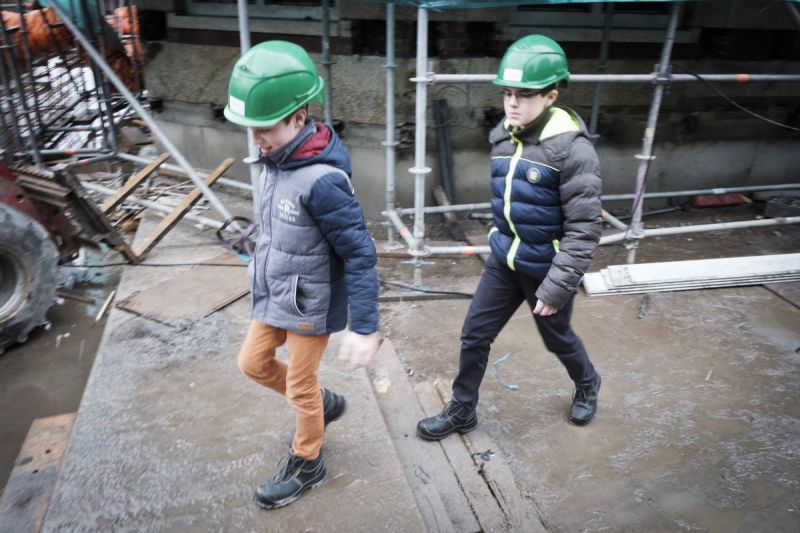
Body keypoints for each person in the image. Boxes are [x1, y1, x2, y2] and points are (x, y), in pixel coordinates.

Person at [417, 35, 602, 441]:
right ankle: (462, 409)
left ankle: (587, 381)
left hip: (546, 270)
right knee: (474, 334)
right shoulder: (503, 135)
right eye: (507, 94)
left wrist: (555, 289)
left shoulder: (572, 151)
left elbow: (585, 228)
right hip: (504, 261)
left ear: (551, 95)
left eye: (524, 95)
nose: (512, 103)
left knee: (557, 340)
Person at [225, 41, 380, 509]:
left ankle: (308, 459)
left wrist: (365, 326)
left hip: (310, 306)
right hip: (274, 293)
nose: (255, 138)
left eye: (264, 127)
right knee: (252, 364)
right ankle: (324, 403)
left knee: (299, 386)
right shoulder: (277, 160)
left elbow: (360, 254)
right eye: (250, 128)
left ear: (298, 117)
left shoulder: (323, 181)